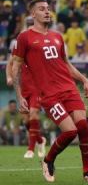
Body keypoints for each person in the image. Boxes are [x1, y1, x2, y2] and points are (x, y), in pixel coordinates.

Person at [11, 0, 88, 183]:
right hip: (49, 95)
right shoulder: (25, 37)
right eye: (42, 9)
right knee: (70, 131)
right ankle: (48, 160)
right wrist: (20, 96)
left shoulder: (57, 36)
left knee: (83, 127)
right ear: (33, 13)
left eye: (48, 9)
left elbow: (66, 64)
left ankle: (87, 172)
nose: (47, 12)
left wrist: (85, 80)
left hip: (69, 88)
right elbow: (16, 67)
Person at [6, 16, 47, 158]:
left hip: (36, 88)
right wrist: (9, 77)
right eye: (28, 23)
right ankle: (41, 141)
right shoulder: (21, 42)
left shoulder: (39, 43)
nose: (30, 26)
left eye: (32, 23)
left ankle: (30, 149)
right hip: (24, 89)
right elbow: (10, 63)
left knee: (34, 114)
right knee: (26, 121)